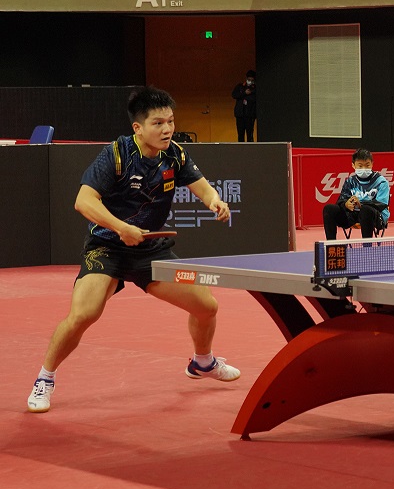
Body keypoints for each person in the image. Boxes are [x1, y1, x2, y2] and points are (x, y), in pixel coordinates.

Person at [27, 87, 240, 414]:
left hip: (150, 249)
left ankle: (202, 362)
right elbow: (83, 201)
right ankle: (45, 378)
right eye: (158, 123)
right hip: (107, 247)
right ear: (138, 128)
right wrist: (120, 228)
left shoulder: (175, 154)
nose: (167, 129)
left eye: (170, 121)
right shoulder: (116, 154)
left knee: (206, 306)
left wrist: (215, 201)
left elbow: (202, 187)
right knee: (84, 314)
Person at [322, 148, 390, 240]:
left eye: (367, 165)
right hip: (353, 215)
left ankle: (367, 246)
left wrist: (361, 205)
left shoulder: (381, 182)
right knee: (329, 209)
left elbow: (381, 204)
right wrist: (346, 204)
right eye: (360, 166)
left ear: (372, 164)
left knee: (366, 210)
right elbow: (341, 200)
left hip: (375, 216)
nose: (364, 169)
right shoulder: (350, 181)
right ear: (353, 165)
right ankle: (331, 245)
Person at [231, 70, 257, 142]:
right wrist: (244, 93)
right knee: (240, 134)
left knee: (249, 134)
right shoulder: (240, 86)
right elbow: (234, 95)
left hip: (250, 115)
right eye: (249, 79)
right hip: (240, 115)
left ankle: (250, 148)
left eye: (252, 80)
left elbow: (253, 98)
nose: (250, 81)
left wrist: (246, 95)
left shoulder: (255, 88)